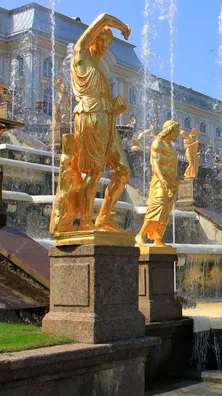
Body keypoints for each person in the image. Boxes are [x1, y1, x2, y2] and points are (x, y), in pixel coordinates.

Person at [71, 13, 131, 232]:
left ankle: (103, 217)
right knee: (95, 173)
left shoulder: (100, 71)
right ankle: (85, 222)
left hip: (108, 121)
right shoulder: (80, 55)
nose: (105, 46)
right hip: (90, 118)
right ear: (93, 39)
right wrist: (121, 26)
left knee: (124, 171)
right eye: (102, 40)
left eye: (109, 43)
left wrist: (117, 108)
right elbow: (104, 17)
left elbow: (104, 103)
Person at [136, 121, 180, 247]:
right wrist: (163, 181)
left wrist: (176, 179)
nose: (177, 135)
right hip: (161, 181)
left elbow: (174, 165)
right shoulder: (157, 144)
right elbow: (155, 165)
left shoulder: (171, 146)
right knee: (157, 208)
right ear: (169, 131)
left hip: (172, 182)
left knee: (166, 211)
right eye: (176, 132)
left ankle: (158, 238)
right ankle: (140, 235)